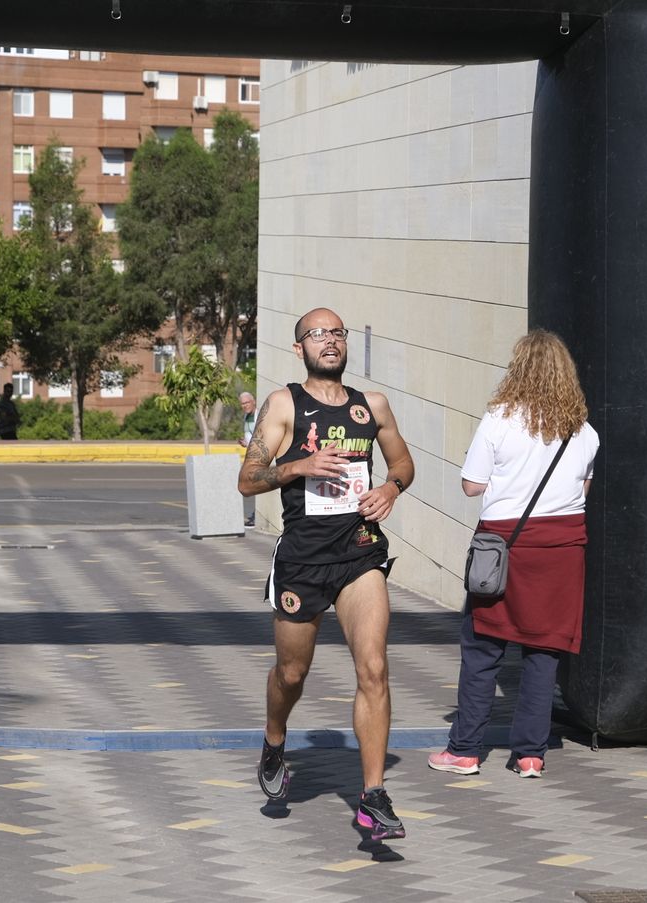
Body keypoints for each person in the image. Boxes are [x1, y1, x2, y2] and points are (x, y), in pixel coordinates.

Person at [238, 307, 416, 842]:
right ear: (300, 349)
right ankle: (274, 739)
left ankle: (373, 797)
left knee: (375, 668)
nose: (329, 341)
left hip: (361, 554)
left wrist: (391, 489)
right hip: (303, 561)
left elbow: (403, 463)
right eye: (317, 335)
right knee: (292, 674)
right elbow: (247, 479)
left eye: (336, 332)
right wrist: (299, 466)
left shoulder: (373, 406)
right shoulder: (284, 404)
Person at [427, 330, 599, 780]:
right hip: (562, 553)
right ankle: (530, 755)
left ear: (517, 370)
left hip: (505, 548)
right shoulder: (583, 431)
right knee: (544, 653)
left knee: (482, 649)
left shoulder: (499, 419)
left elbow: (471, 485)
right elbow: (582, 491)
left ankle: (464, 750)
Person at [238, 391, 258, 526]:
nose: (245, 405)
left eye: (247, 402)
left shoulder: (259, 415)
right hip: (252, 456)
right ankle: (255, 515)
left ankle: (256, 516)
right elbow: (249, 436)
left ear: (253, 401)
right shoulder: (246, 416)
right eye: (242, 404)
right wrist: (245, 443)